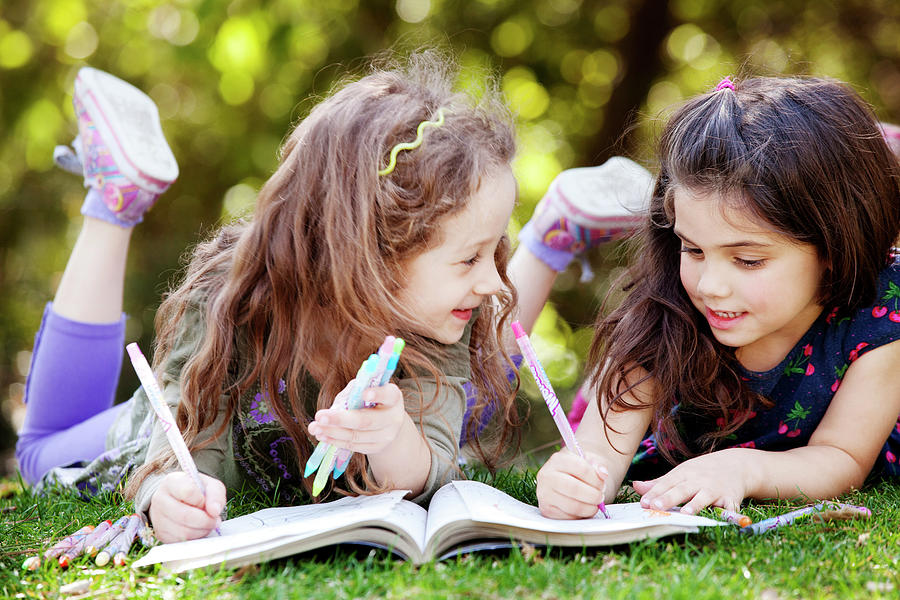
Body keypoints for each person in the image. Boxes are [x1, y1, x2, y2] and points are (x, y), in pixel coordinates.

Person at [18, 54, 537, 543]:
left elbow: (437, 462)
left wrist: (395, 436)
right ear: (371, 253)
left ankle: (558, 234)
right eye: (469, 259)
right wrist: (167, 494)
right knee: (38, 456)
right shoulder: (231, 303)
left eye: (497, 253)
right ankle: (116, 203)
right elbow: (185, 437)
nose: (493, 281)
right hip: (149, 425)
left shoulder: (440, 319)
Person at [535, 75, 900, 520]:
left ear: (832, 248)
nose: (710, 285)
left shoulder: (878, 316)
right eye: (693, 249)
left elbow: (842, 457)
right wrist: (579, 478)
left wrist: (741, 469)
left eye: (746, 260)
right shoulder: (664, 309)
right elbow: (599, 450)